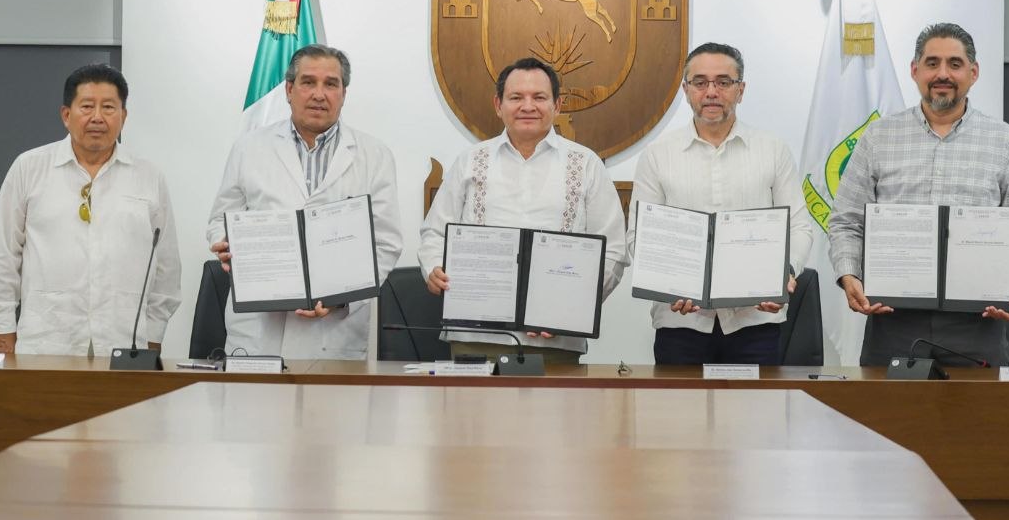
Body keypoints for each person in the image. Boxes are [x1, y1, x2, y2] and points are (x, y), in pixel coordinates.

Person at [828, 22, 1009, 366]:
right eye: (932, 63)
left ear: (973, 73)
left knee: (978, 405)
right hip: (893, 321)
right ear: (915, 71)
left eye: (955, 64)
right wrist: (849, 273)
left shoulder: (1003, 140)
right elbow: (846, 221)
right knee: (887, 405)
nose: (943, 73)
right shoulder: (878, 138)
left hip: (977, 323)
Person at [419, 57, 627, 363]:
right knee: (471, 398)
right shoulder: (470, 161)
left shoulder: (586, 165)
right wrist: (434, 268)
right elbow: (435, 232)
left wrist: (573, 308)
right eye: (516, 97)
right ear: (498, 104)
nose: (527, 106)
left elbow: (613, 250)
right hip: (475, 335)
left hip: (555, 339)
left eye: (539, 97)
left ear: (557, 105)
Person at [207, 44, 401, 359]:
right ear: (289, 89)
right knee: (253, 394)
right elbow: (221, 219)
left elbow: (386, 242)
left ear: (344, 93)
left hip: (334, 334)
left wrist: (340, 299)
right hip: (259, 329)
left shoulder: (375, 156)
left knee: (328, 394)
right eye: (308, 82)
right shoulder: (248, 148)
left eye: (331, 84)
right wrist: (227, 243)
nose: (319, 94)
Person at [629, 42, 813, 365]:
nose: (711, 92)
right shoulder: (657, 155)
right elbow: (639, 236)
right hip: (681, 322)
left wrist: (783, 273)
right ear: (686, 90)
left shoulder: (773, 150)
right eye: (700, 82)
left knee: (755, 402)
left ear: (741, 90)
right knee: (680, 401)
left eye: (723, 82)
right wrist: (668, 283)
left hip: (755, 321)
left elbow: (799, 227)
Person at [0, 64, 181, 355]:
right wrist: (3, 333)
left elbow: (166, 266)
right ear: (66, 115)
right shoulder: (29, 168)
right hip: (45, 344)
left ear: (123, 117)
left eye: (108, 107)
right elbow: (3, 255)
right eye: (87, 106)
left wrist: (153, 338)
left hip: (124, 344)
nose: (97, 117)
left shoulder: (149, 177)